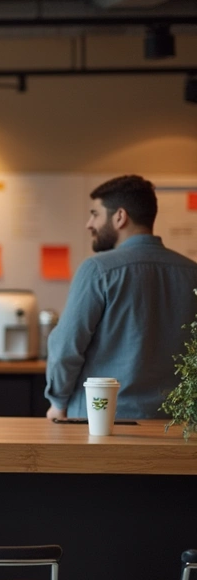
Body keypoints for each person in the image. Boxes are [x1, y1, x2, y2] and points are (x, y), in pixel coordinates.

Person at [45, 174, 197, 421]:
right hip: (176, 428)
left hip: (101, 422)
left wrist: (57, 402)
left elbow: (66, 348)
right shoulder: (192, 273)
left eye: (95, 213)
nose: (89, 223)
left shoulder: (97, 271)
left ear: (120, 217)